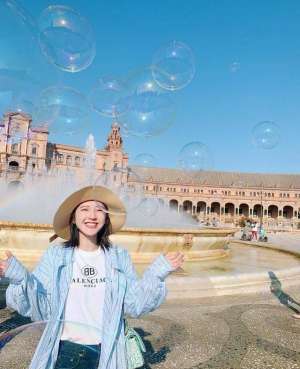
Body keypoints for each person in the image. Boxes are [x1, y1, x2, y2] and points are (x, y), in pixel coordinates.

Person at [0, 185, 184, 369]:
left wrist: (157, 273)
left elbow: (134, 304)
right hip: (66, 350)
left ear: (106, 218)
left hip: (108, 350)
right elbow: (40, 304)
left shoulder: (119, 256)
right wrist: (18, 276)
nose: (92, 215)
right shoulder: (55, 256)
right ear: (73, 218)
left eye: (100, 210)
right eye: (85, 209)